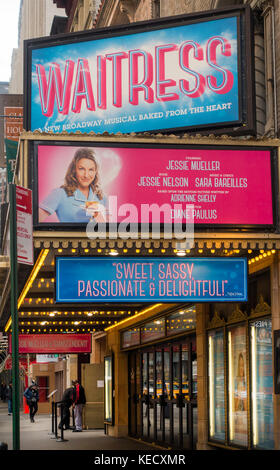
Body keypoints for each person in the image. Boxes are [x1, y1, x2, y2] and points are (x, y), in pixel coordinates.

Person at [39, 148, 107, 223]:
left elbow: (107, 228)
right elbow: (33, 221)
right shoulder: (59, 194)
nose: (86, 175)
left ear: (95, 172)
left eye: (91, 170)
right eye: (81, 169)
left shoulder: (102, 197)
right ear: (74, 170)